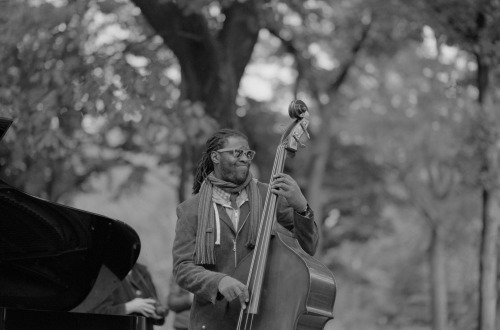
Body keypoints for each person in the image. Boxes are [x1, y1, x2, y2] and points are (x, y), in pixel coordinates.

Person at [172, 128, 318, 329]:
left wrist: (302, 207)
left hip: (265, 319)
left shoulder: (271, 196)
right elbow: (183, 269)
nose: (244, 158)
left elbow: (307, 249)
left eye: (248, 153)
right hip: (212, 323)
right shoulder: (190, 210)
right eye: (236, 152)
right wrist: (219, 281)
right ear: (215, 156)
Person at [91, 262, 168, 330]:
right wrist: (130, 307)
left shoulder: (141, 271)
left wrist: (155, 311)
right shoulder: (104, 275)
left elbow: (153, 300)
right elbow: (98, 314)